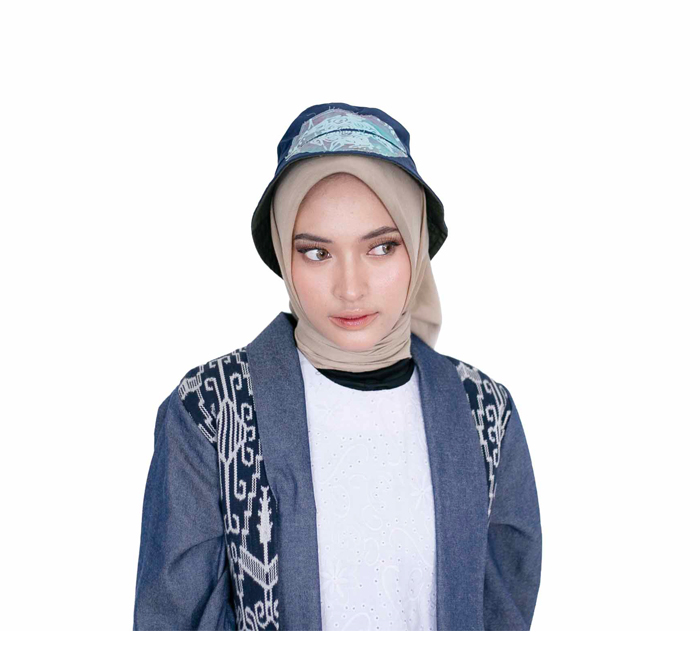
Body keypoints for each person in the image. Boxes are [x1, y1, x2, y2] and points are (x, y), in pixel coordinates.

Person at [133, 102, 542, 631]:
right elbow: (174, 625)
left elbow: (503, 617)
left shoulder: (483, 411)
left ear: (417, 244)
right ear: (283, 252)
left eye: (382, 247)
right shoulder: (212, 410)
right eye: (317, 253)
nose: (351, 288)